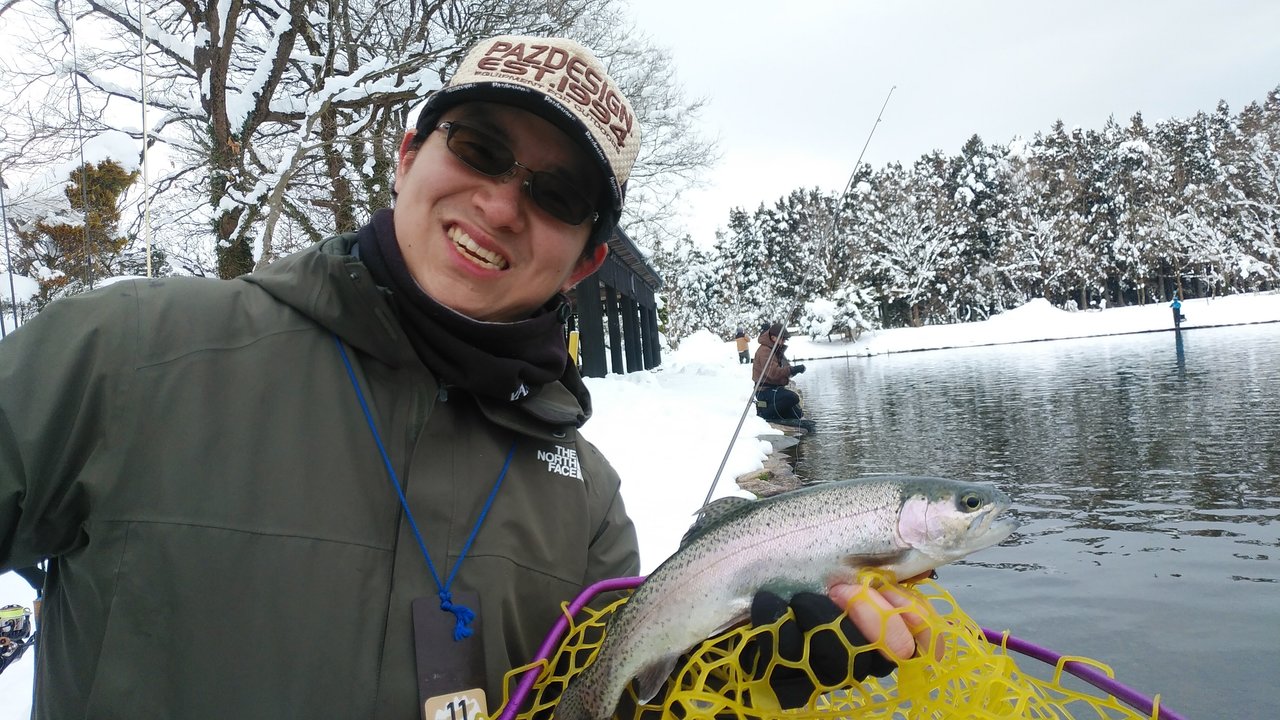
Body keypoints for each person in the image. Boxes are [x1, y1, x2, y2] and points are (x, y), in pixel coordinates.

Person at [0, 34, 925, 718]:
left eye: (556, 196)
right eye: (480, 150)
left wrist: (739, 675)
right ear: (407, 158)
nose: (499, 202)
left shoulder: (589, 505)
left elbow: (600, 703)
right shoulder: (122, 353)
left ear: (585, 263)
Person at [752, 322, 812, 429]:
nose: (784, 341)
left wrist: (795, 370)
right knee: (793, 397)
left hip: (776, 390)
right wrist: (792, 369)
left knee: (799, 415)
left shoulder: (776, 350)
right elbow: (773, 373)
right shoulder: (765, 351)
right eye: (783, 339)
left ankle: (785, 421)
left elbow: (785, 369)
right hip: (764, 391)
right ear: (774, 338)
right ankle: (765, 414)